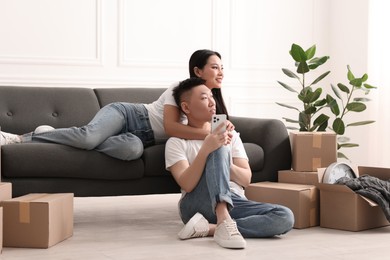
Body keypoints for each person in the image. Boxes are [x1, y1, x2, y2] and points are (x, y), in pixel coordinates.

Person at [0, 49, 233, 161]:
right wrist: (206, 135)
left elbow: (218, 135)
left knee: (131, 151)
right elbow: (171, 128)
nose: (220, 72)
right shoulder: (179, 89)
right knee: (88, 138)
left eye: (222, 67)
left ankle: (54, 135)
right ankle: (22, 138)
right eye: (215, 67)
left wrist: (222, 133)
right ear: (197, 71)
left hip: (141, 139)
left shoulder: (216, 106)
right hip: (129, 115)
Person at [165, 77, 294, 249]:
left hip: (234, 200)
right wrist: (206, 149)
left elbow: (246, 179)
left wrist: (225, 162)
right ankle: (223, 218)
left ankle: (211, 228)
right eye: (204, 98)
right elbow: (187, 184)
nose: (212, 102)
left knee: (285, 216)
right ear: (186, 107)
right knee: (218, 144)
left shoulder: (233, 136)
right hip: (196, 203)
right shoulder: (176, 142)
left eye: (212, 96)